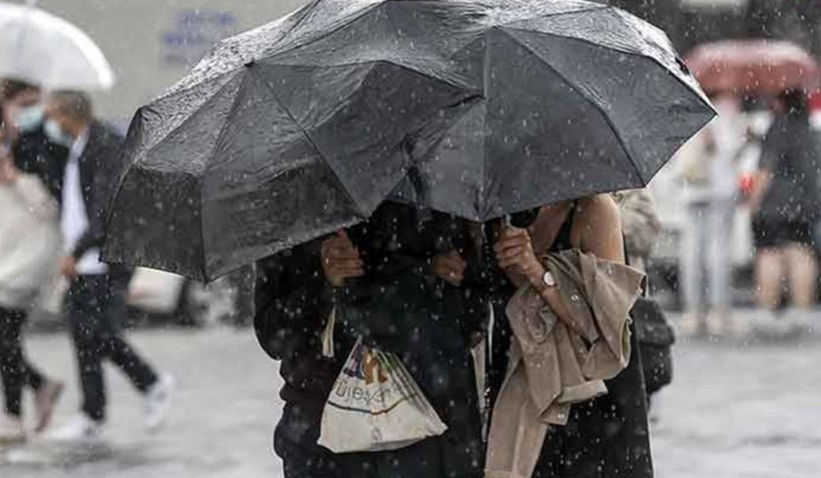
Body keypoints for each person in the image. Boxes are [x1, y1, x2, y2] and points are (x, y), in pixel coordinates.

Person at [255, 201, 486, 478]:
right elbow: (274, 335)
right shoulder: (291, 210)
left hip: (427, 424)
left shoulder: (434, 195)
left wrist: (437, 273)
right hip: (322, 430)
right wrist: (324, 282)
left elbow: (473, 316)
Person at [487, 195, 653, 478]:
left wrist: (536, 271)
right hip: (528, 384)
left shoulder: (596, 210)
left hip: (589, 396)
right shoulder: (504, 210)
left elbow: (602, 325)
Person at [43, 91, 174, 441]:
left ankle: (152, 382)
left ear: (68, 114)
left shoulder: (104, 144)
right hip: (85, 261)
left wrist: (77, 250)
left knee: (100, 333)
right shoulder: (79, 145)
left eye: (52, 115)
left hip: (104, 258)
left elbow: (103, 209)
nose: (50, 123)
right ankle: (93, 416)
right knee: (83, 334)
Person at [0, 130, 64, 444]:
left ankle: (12, 416)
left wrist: (16, 179)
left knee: (0, 334)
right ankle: (39, 386)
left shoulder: (36, 164)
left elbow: (50, 209)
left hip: (25, 265)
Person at [674, 93, 744, 336]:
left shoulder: (687, 104)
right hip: (719, 191)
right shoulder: (725, 109)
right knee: (718, 251)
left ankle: (692, 311)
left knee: (691, 251)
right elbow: (728, 149)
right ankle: (717, 310)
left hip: (692, 189)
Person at [747, 89, 821, 321]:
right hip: (806, 205)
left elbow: (766, 171)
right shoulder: (810, 130)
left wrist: (753, 203)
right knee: (802, 254)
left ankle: (767, 312)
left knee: (770, 254)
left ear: (779, 103)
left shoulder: (777, 128)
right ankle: (802, 313)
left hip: (774, 206)